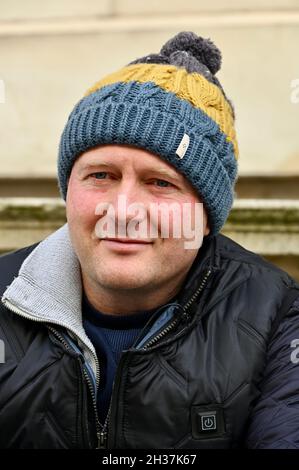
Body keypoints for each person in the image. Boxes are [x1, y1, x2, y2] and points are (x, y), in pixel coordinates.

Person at [0, 31, 299, 450]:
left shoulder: (279, 317)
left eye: (160, 183)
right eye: (101, 176)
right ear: (69, 192)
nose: (123, 210)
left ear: (206, 216)